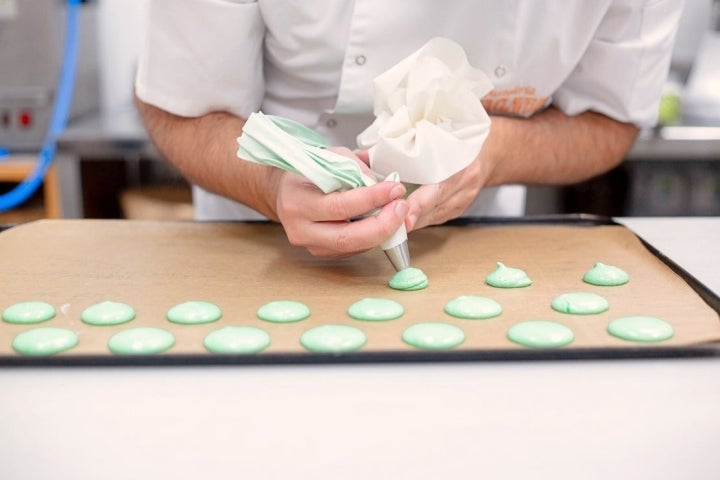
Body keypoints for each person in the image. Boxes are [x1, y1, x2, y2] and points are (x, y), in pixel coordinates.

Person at [134, 0, 683, 259]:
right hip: (258, 240)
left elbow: (611, 120)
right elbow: (180, 108)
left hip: (470, 244)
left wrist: (498, 150)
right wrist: (273, 185)